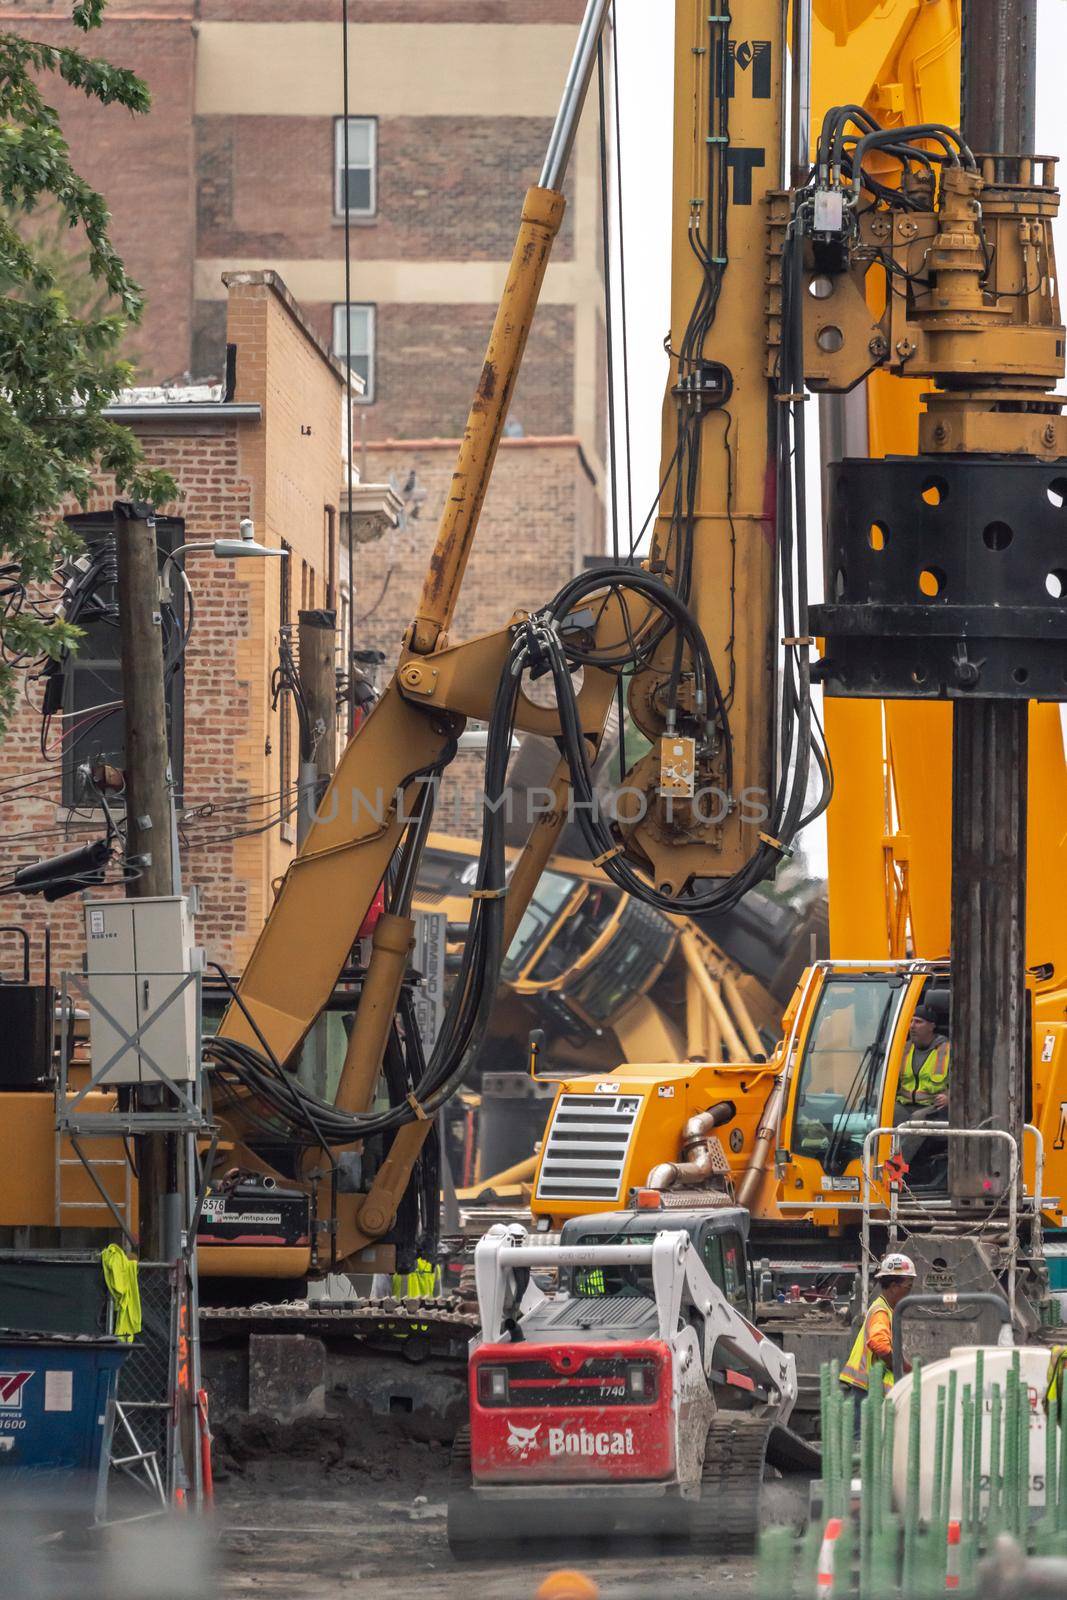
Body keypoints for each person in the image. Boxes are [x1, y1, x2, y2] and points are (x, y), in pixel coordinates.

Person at [841, 1253, 917, 1407]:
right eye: (908, 1287)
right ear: (894, 1287)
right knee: (862, 1431)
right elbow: (879, 1344)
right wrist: (899, 1367)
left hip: (868, 1387)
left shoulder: (886, 1309)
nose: (909, 1292)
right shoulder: (881, 1312)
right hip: (866, 1389)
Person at [897, 1003, 950, 1113]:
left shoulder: (947, 1050)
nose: (912, 1026)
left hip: (933, 1107)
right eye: (911, 1021)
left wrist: (950, 1096)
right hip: (903, 1104)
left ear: (932, 1026)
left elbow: (962, 1083)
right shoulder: (902, 1049)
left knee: (917, 1118)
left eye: (918, 1022)